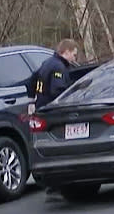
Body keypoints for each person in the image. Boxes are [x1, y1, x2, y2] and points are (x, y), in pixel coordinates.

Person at [28, 39, 79, 202]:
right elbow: (58, 90)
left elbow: (31, 81)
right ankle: (57, 186)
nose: (74, 59)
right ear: (67, 51)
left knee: (48, 149)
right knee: (62, 151)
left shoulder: (47, 63)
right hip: (53, 113)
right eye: (74, 55)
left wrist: (33, 100)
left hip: (41, 110)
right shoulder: (59, 67)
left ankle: (52, 186)